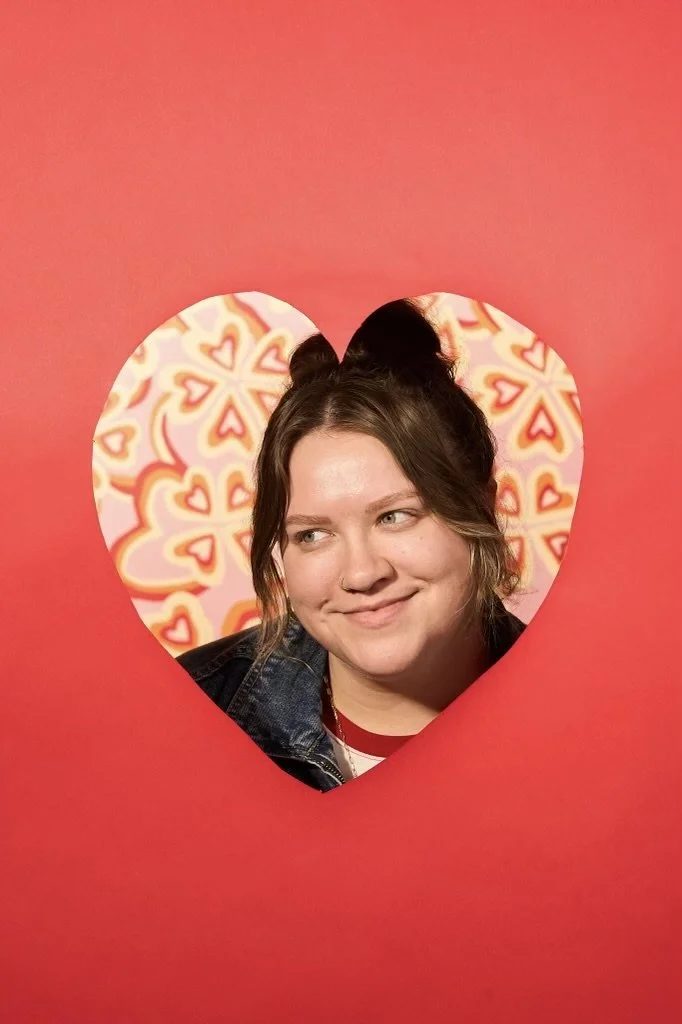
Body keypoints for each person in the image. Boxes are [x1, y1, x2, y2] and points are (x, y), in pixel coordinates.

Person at [177, 298, 525, 791]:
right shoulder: (191, 711)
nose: (361, 574)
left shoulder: (599, 714)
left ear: (482, 506)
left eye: (395, 516)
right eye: (312, 535)